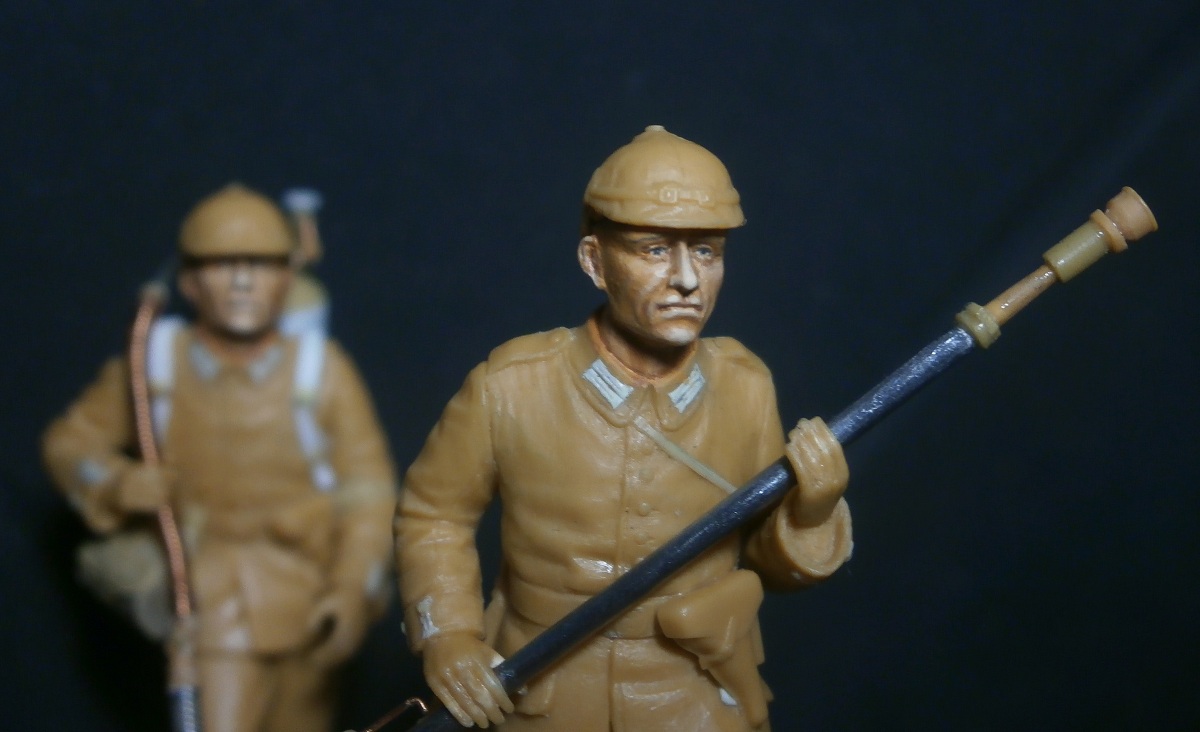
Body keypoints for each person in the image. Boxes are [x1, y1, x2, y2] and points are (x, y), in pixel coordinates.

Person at [394, 126, 854, 731]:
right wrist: (448, 635)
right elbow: (435, 513)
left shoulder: (745, 387)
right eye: (655, 251)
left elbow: (763, 553)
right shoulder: (512, 384)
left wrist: (811, 514)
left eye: (707, 252)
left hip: (692, 694)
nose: (687, 279)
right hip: (544, 692)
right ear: (595, 261)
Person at [42, 183, 397, 732]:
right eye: (221, 265)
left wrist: (353, 586)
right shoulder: (156, 365)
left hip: (310, 593)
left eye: (260, 264)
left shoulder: (322, 370)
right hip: (207, 596)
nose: (241, 281)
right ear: (189, 282)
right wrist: (115, 482)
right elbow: (69, 445)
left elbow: (368, 490)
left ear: (288, 277)